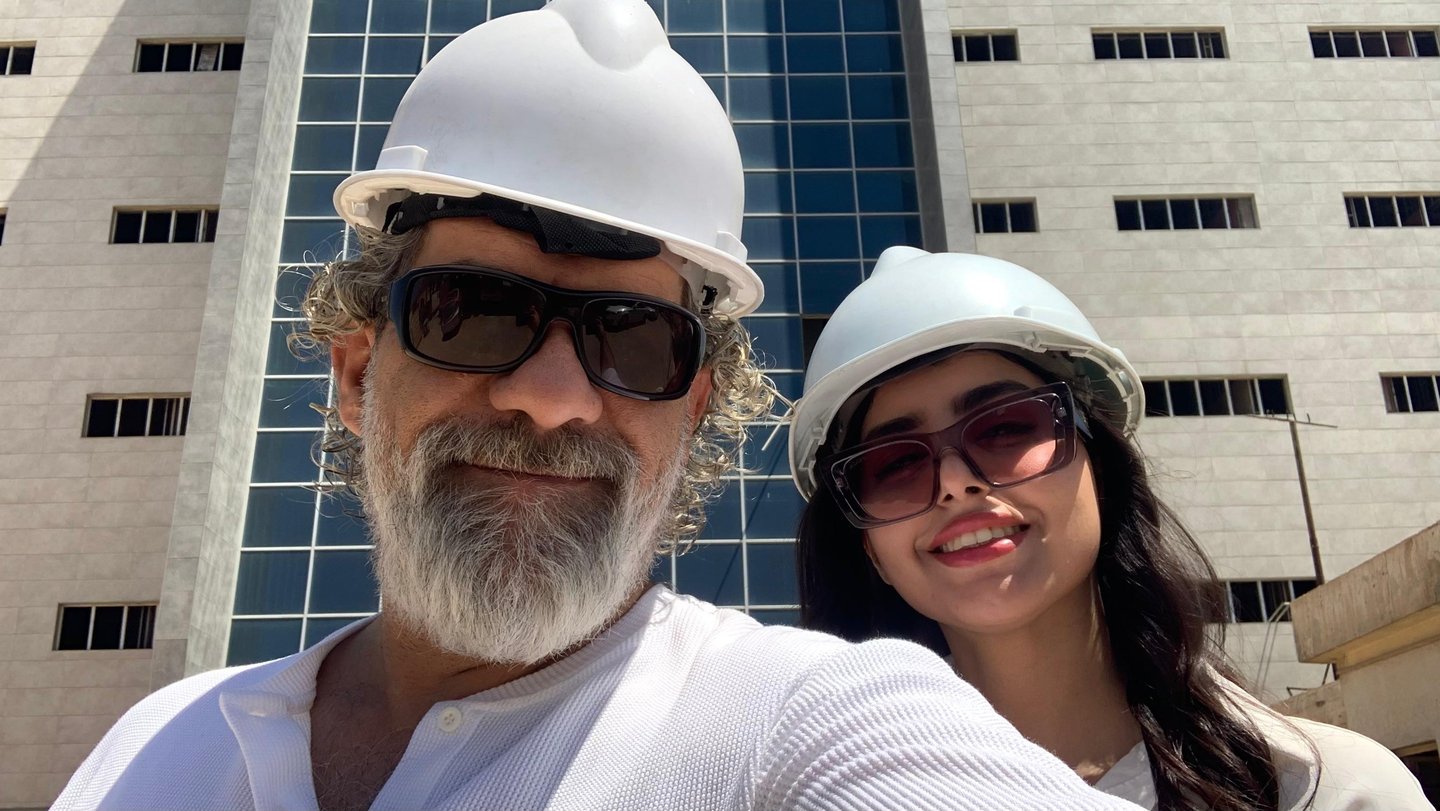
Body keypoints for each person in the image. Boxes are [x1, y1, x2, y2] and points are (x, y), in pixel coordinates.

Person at [53, 4, 1147, 810]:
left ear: (695, 409)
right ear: (354, 373)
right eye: (473, 313)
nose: (550, 397)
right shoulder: (157, 741)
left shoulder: (803, 725)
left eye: (632, 340)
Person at [789, 246, 1436, 811]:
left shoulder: (1323, 789)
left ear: (1101, 467)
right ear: (870, 548)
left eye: (1006, 427)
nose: (955, 481)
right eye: (895, 464)